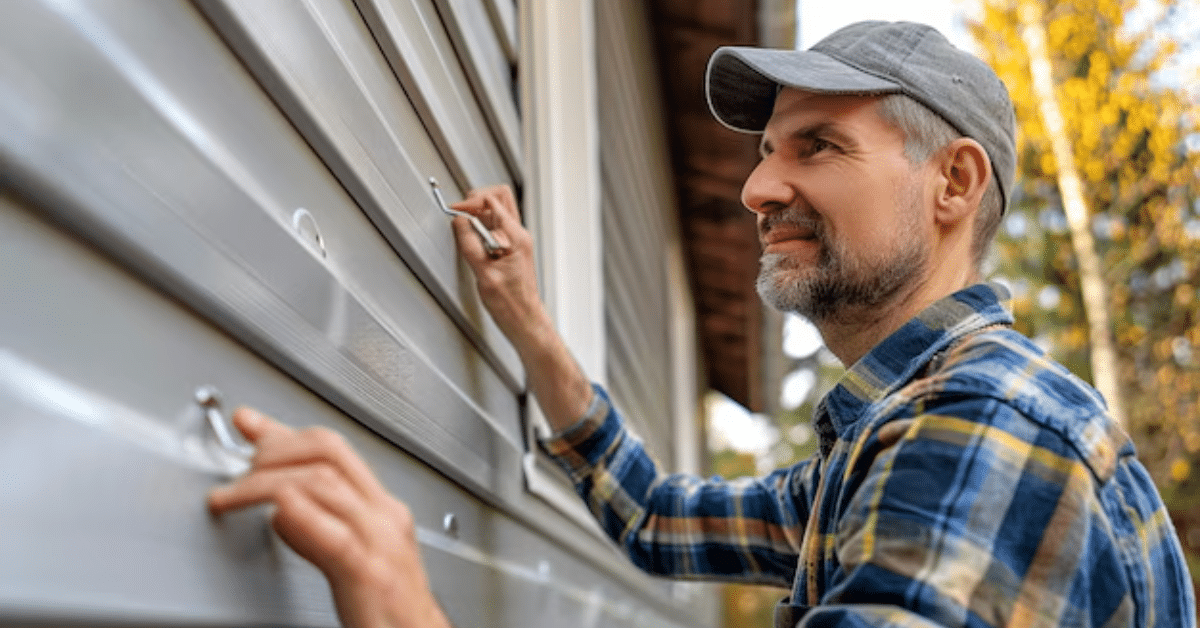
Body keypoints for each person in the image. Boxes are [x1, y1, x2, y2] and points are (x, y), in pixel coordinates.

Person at [207, 21, 1197, 628]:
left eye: (818, 147)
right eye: (767, 151)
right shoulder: (889, 441)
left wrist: (404, 607)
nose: (759, 187)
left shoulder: (982, 427)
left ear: (953, 180)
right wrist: (526, 319)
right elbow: (657, 517)